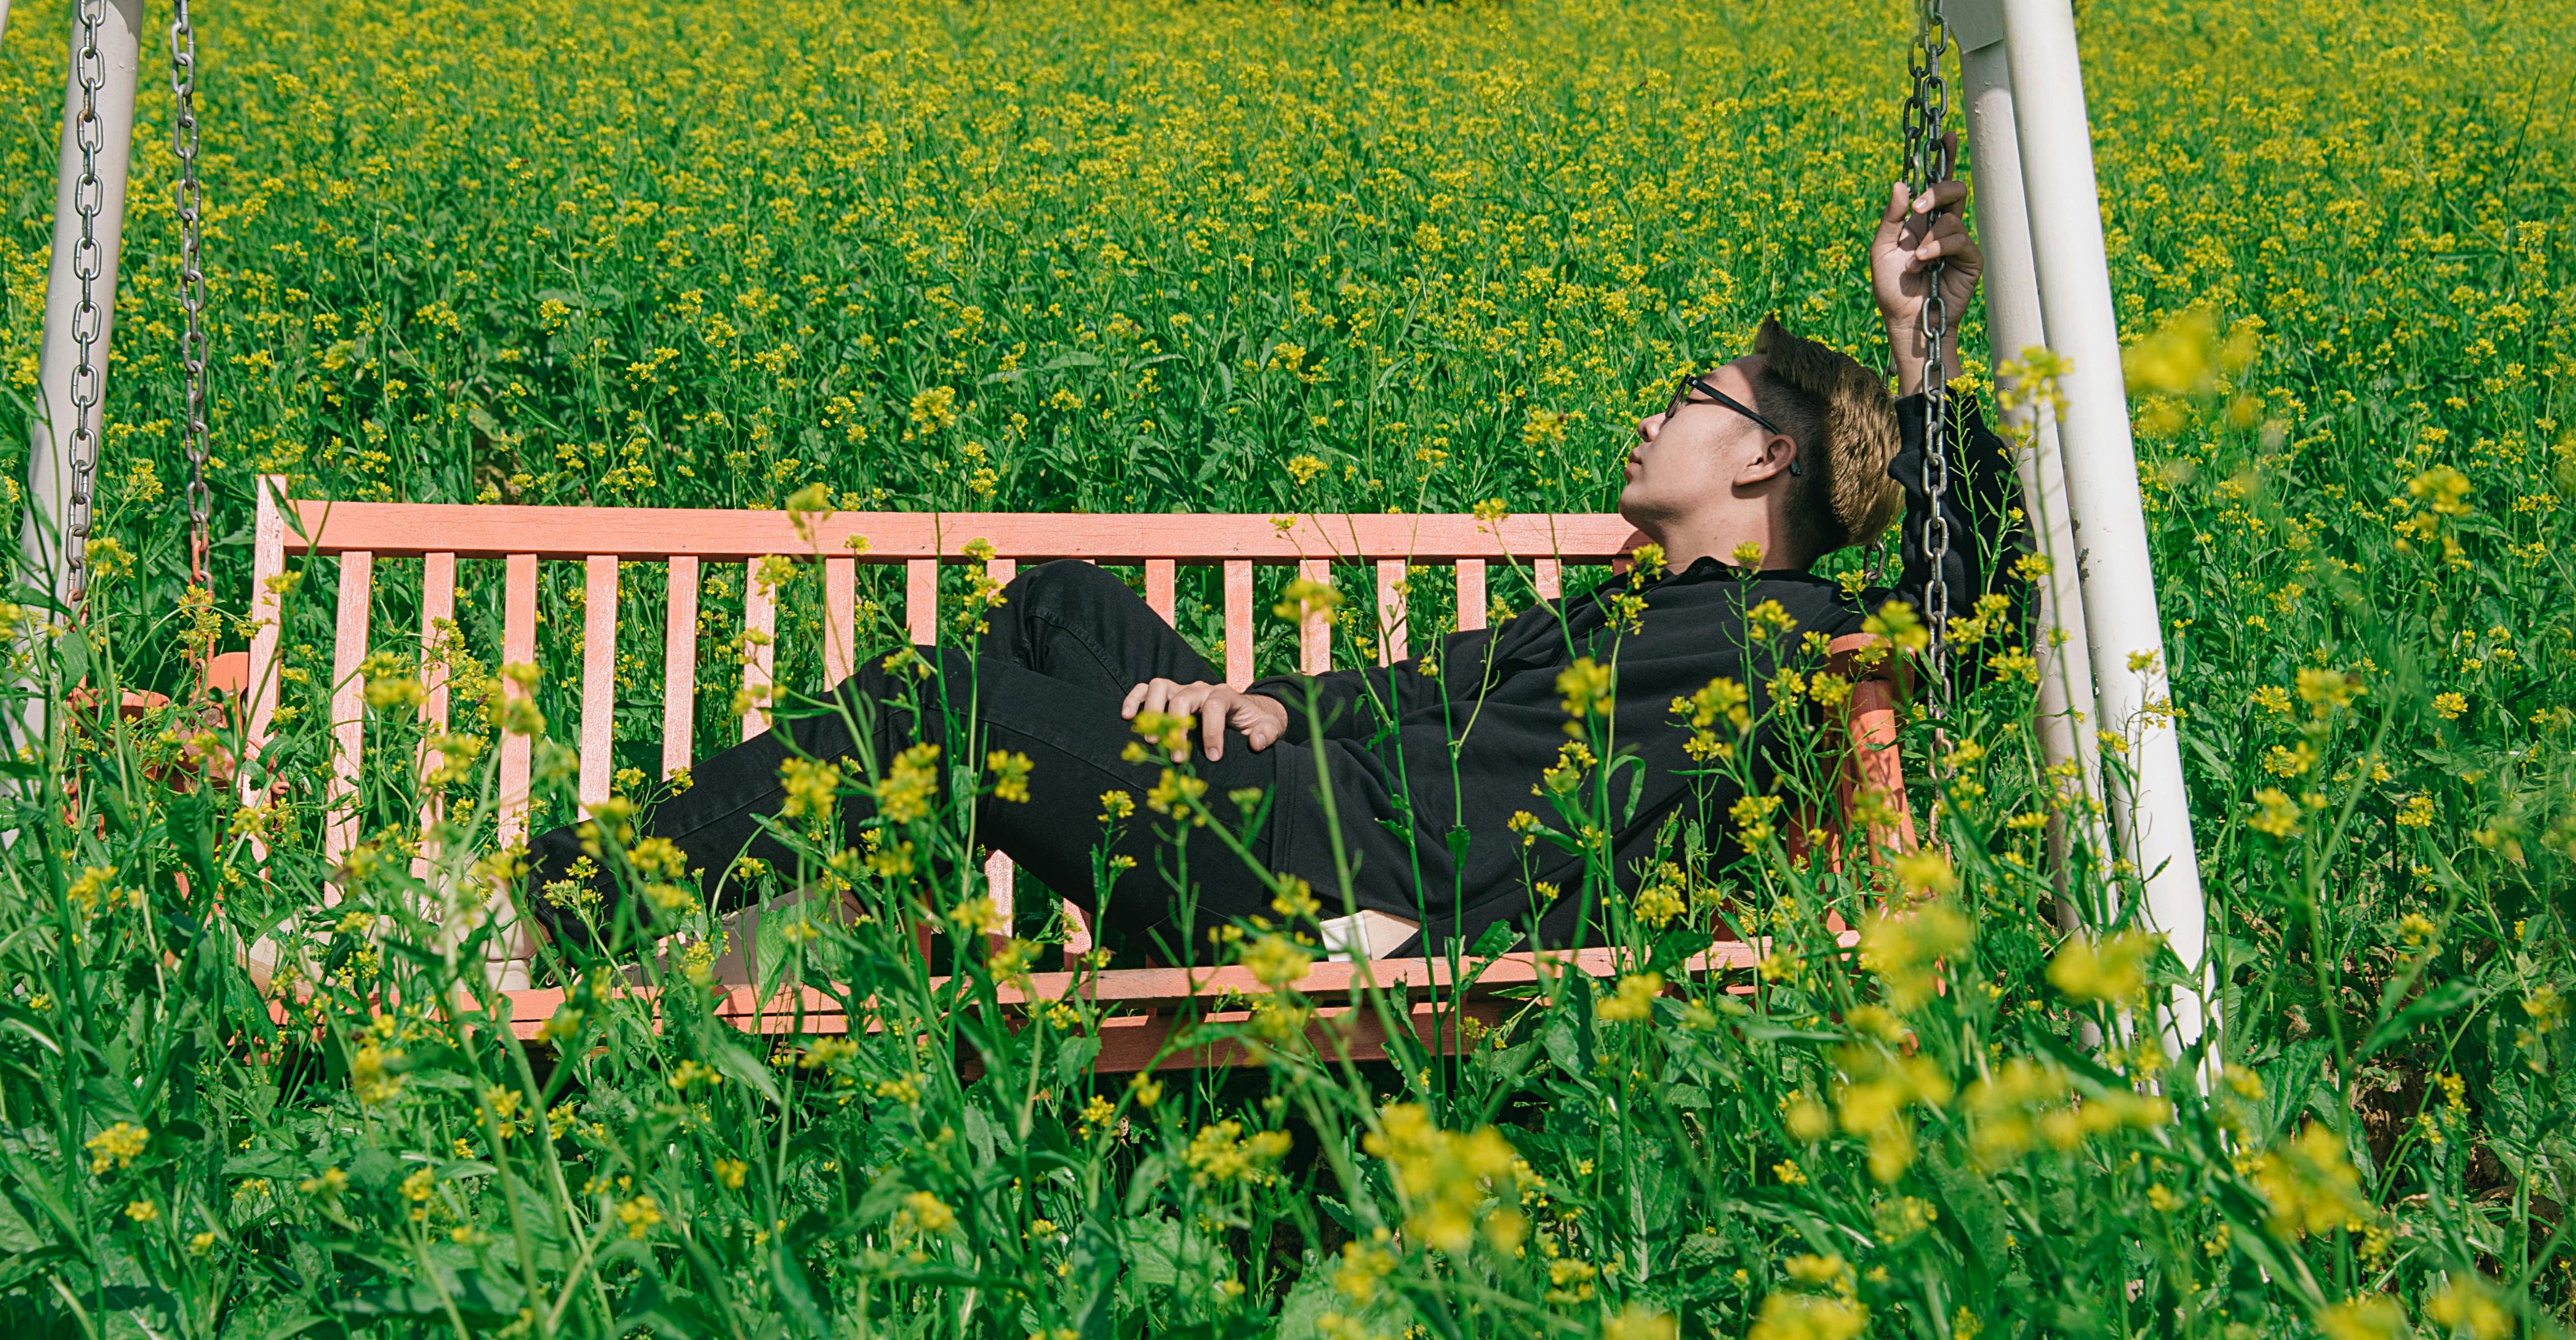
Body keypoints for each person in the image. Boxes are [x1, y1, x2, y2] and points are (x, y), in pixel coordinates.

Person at [523, 172, 2028, 964]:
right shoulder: (1622, 606)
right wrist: (1252, 702)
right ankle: (790, 911)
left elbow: (1979, 606)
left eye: (1693, 401)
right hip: (1303, 801)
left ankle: (562, 913)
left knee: (952, 706)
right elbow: (1393, 696)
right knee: (1060, 609)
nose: (1654, 414)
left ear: (1765, 459)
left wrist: (1915, 344)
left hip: (1342, 884)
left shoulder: (1789, 629)